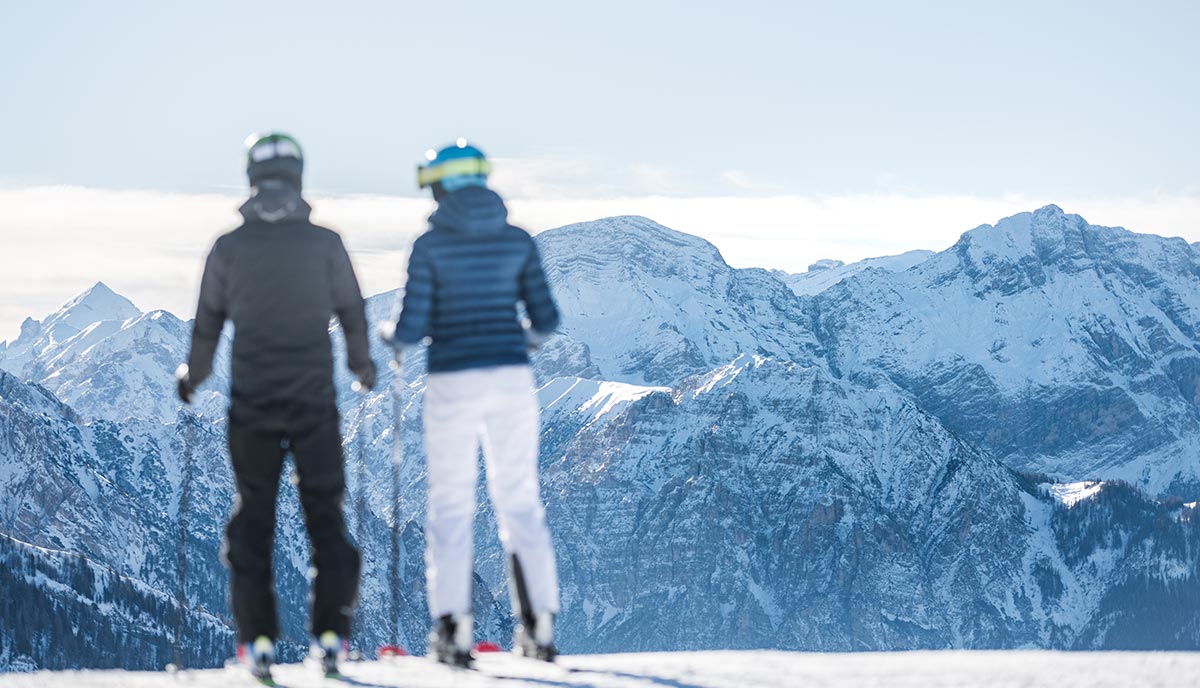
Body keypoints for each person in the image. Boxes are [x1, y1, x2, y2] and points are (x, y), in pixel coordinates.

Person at [177, 132, 375, 682]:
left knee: (253, 519)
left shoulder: (228, 248)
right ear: (299, 176)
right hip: (314, 401)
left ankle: (258, 641)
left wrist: (192, 377)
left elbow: (207, 323)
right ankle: (331, 634)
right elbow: (353, 312)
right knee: (325, 516)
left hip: (253, 404)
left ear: (250, 178)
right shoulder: (326, 244)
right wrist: (363, 368)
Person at [382, 139, 561, 666]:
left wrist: (390, 334)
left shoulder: (429, 246)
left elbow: (411, 329)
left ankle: (453, 634)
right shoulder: (518, 241)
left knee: (452, 504)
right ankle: (540, 627)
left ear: (439, 185)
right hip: (511, 378)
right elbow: (546, 320)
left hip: (452, 380)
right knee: (519, 499)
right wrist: (514, 343)